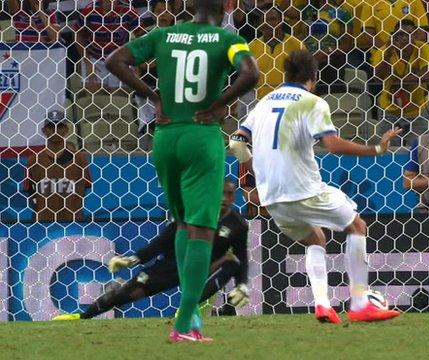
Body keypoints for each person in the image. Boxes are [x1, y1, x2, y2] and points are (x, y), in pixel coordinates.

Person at [105, 0, 259, 342]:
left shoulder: (164, 34)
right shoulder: (226, 38)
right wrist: (219, 103)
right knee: (203, 230)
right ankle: (184, 323)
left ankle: (193, 324)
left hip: (165, 138)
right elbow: (251, 73)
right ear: (222, 11)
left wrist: (153, 96)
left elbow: (115, 60)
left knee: (181, 224)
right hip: (201, 137)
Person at [230, 49, 401, 324]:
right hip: (304, 189)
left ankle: (322, 305)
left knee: (315, 238)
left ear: (286, 74)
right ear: (313, 76)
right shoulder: (312, 102)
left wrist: (252, 166)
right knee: (356, 226)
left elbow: (236, 142)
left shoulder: (263, 102)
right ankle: (359, 303)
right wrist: (378, 148)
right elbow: (331, 145)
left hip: (271, 196)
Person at [52, 180, 249, 321]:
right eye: (220, 192)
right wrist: (134, 259)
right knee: (125, 294)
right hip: (171, 266)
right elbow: (162, 242)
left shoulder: (238, 224)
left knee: (231, 261)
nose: (224, 197)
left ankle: (188, 308)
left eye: (229, 193)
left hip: (202, 269)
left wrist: (242, 284)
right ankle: (81, 316)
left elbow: (241, 255)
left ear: (234, 196)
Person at [372, 20, 429, 146]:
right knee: (389, 151)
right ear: (394, 36)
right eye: (400, 35)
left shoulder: (423, 48)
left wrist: (400, 82)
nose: (405, 38)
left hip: (418, 109)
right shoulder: (384, 50)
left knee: (420, 150)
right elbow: (377, 78)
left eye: (409, 34)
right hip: (390, 110)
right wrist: (388, 54)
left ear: (415, 36)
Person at [24, 110, 92, 222]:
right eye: (51, 127)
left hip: (73, 224)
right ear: (44, 130)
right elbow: (30, 191)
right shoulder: (33, 160)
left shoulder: (79, 159)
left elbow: (85, 187)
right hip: (43, 225)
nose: (55, 131)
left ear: (66, 130)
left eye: (59, 126)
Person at [74, 0, 143, 94]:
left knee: (118, 100)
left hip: (118, 60)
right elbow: (78, 35)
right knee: (93, 100)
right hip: (94, 59)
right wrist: (87, 62)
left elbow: (140, 36)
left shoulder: (128, 11)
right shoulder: (90, 10)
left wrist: (135, 64)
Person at [135, 0, 176, 150]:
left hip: (172, 91)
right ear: (153, 15)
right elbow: (140, 64)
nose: (163, 15)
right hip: (148, 89)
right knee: (147, 126)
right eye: (159, 11)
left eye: (167, 11)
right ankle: (142, 157)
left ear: (173, 15)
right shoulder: (145, 37)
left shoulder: (181, 38)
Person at [249, 7, 306, 101]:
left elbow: (306, 75)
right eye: (264, 20)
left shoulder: (297, 45)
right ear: (260, 24)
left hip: (290, 101)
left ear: (281, 20)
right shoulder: (252, 47)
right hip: (261, 103)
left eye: (273, 19)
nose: (269, 23)